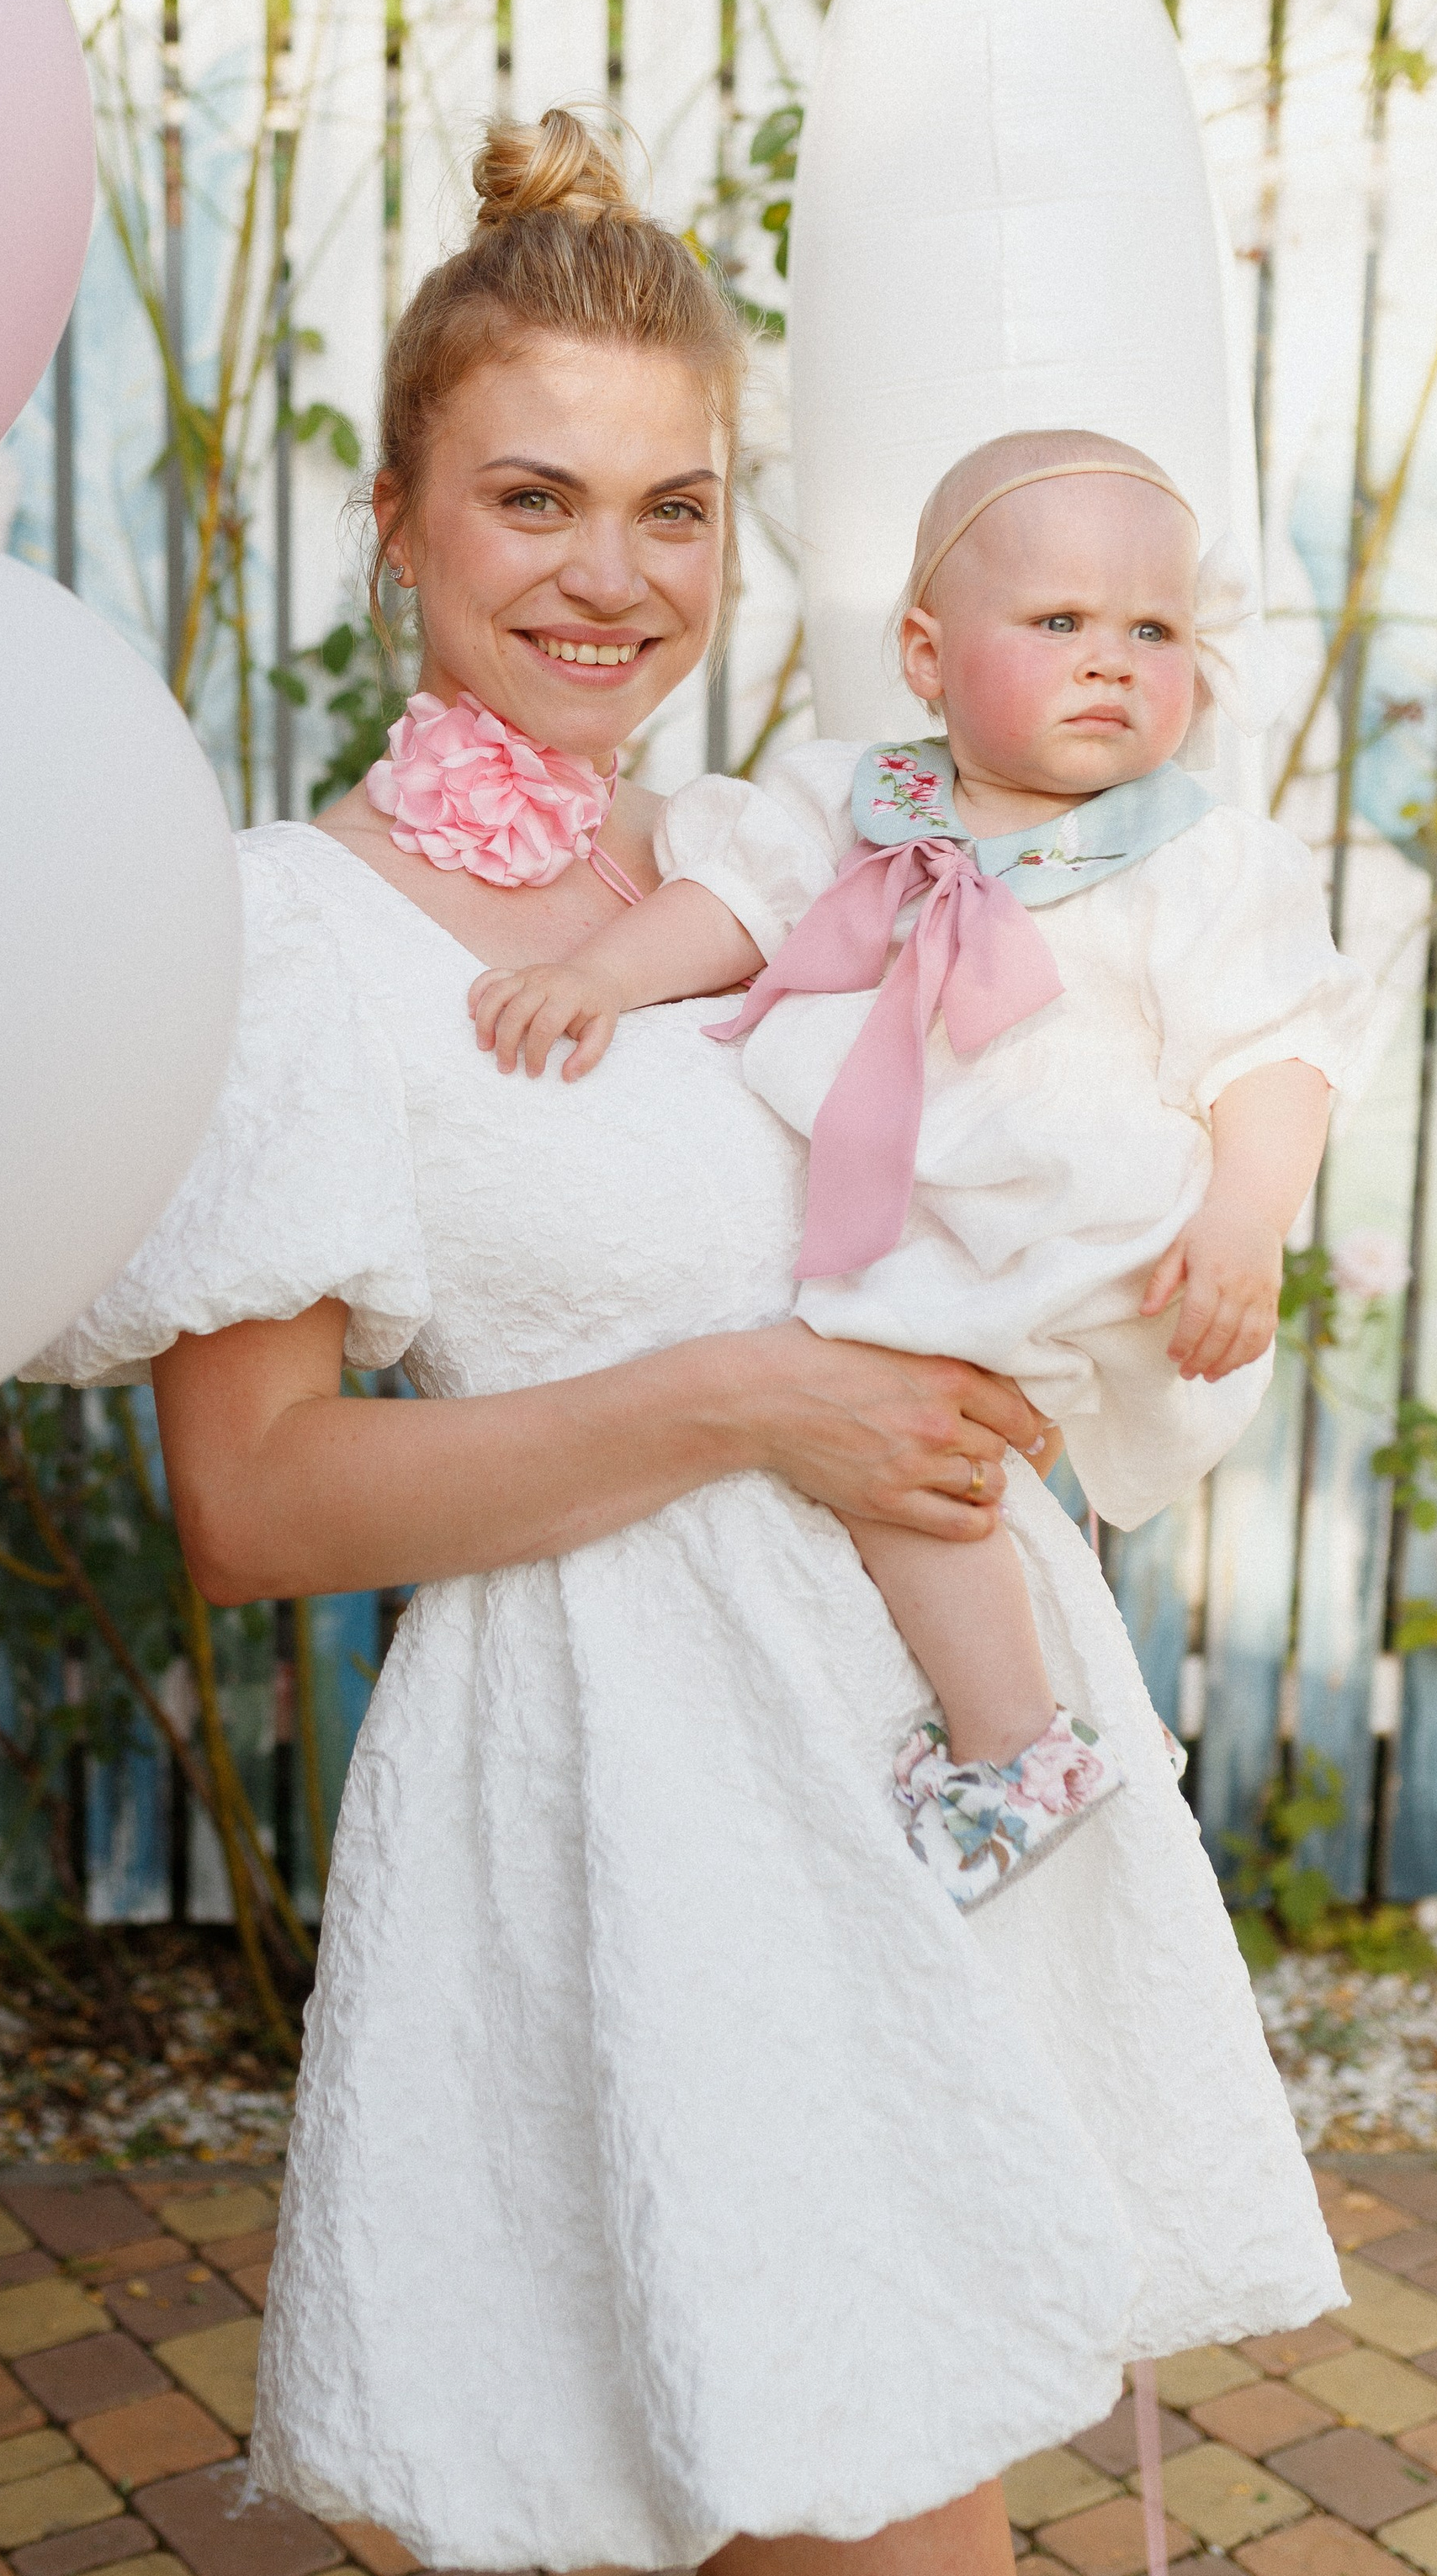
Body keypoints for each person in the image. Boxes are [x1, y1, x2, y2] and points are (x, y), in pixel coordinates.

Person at [26, 113, 1339, 2576]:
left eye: (672, 509)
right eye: (533, 499)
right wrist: (759, 1401)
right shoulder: (299, 946)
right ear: (396, 517)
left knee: (818, 2527)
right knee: (897, 2561)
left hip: (941, 1781)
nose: (609, 577)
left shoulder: (783, 867)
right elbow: (256, 1503)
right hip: (673, 1836)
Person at [465, 427, 1375, 1910]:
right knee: (935, 1449)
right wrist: (601, 979)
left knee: (912, 1442)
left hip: (1084, 1228)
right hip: (948, 1223)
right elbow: (735, 904)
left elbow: (1276, 1052)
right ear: (927, 654)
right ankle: (1085, 1699)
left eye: (1155, 629)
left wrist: (1247, 1222)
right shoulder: (855, 802)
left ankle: (1018, 1743)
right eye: (1061, 622)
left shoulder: (1200, 858)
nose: (1112, 661)